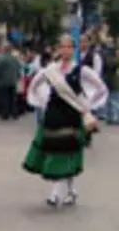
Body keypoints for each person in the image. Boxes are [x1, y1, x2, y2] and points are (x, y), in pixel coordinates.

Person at [22, 34, 108, 207]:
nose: (66, 50)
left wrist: (87, 105)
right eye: (62, 47)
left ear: (73, 50)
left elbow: (100, 88)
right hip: (54, 115)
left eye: (69, 47)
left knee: (67, 152)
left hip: (72, 115)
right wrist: (43, 101)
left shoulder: (81, 70)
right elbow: (34, 86)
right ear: (58, 49)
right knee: (56, 151)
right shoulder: (50, 70)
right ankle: (71, 191)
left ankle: (56, 193)